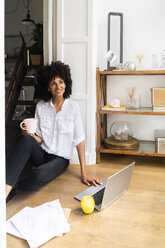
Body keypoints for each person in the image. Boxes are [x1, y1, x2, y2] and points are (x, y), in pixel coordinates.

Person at [6, 61, 101, 199]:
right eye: (53, 83)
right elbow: (39, 138)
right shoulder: (41, 107)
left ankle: (15, 185)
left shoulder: (73, 108)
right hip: (41, 154)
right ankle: (5, 189)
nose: (58, 86)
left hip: (59, 159)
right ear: (48, 87)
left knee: (39, 175)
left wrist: (84, 174)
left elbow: (79, 141)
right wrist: (29, 134)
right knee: (27, 140)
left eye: (61, 82)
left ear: (66, 84)